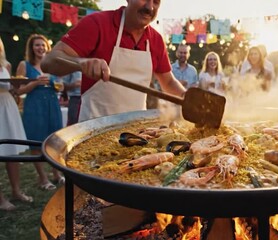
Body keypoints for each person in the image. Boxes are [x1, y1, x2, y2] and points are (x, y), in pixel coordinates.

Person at [41, 0, 186, 122]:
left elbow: (168, 82)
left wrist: (188, 98)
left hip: (136, 130)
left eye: (156, 1)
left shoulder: (156, 40)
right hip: (92, 128)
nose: (149, 7)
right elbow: (48, 61)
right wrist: (81, 62)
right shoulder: (97, 23)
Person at [15, 34, 64, 191]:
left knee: (54, 141)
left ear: (47, 48)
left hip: (52, 104)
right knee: (35, 143)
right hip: (35, 106)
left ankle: (56, 174)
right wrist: (35, 82)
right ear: (31, 48)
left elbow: (61, 86)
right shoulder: (25, 65)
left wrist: (58, 85)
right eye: (37, 45)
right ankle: (43, 179)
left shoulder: (52, 65)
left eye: (43, 45)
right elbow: (18, 90)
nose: (40, 48)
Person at [0, 37, 33, 210]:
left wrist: (16, 86)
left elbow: (12, 90)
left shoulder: (6, 65)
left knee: (12, 152)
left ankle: (16, 191)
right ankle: (0, 198)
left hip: (7, 106)